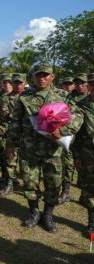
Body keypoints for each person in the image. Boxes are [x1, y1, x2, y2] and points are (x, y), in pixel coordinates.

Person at [6, 64, 83, 233]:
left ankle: (48, 215)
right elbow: (16, 122)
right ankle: (34, 212)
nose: (41, 78)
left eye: (45, 75)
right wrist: (11, 144)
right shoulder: (24, 97)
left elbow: (77, 116)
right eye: (38, 75)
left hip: (53, 150)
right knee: (29, 182)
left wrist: (62, 131)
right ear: (33, 77)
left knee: (53, 184)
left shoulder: (63, 96)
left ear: (52, 77)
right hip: (29, 149)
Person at [59, 73, 89, 204]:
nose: (79, 85)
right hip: (71, 138)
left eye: (82, 83)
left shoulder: (91, 98)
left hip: (87, 140)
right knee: (68, 165)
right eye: (77, 83)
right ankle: (65, 192)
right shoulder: (69, 98)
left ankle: (84, 194)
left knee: (85, 168)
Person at [74, 72, 94, 233]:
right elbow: (76, 134)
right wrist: (77, 156)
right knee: (89, 192)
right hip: (88, 156)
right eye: (93, 84)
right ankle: (92, 223)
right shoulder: (81, 106)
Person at [0, 74, 18, 196]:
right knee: (4, 155)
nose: (7, 85)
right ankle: (7, 178)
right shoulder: (0, 96)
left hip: (19, 132)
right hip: (3, 131)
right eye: (5, 83)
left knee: (14, 157)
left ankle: (12, 180)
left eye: (10, 82)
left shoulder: (21, 97)